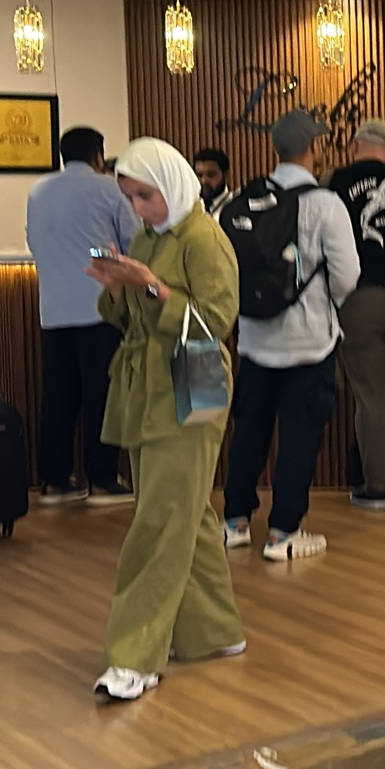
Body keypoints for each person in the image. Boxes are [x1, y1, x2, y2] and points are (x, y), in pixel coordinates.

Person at [83, 137, 246, 702]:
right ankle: (213, 631)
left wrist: (151, 286)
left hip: (193, 378)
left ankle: (135, 655)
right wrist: (117, 288)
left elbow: (215, 322)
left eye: (145, 196)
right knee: (185, 511)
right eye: (130, 198)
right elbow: (130, 318)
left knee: (159, 520)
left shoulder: (205, 239)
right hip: (150, 383)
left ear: (171, 185)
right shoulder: (146, 238)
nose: (139, 208)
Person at [221, 110, 359, 562]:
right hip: (309, 341)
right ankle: (283, 533)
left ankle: (235, 522)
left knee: (249, 432)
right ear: (314, 148)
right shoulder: (325, 203)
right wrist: (323, 303)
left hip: (255, 340)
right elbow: (348, 275)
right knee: (300, 435)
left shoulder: (245, 198)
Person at [26, 127, 141, 507]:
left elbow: (34, 240)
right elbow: (133, 243)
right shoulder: (109, 189)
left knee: (58, 398)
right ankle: (103, 480)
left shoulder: (38, 191)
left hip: (53, 310)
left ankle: (55, 482)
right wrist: (96, 252)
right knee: (100, 396)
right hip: (98, 308)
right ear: (98, 155)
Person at [326, 118, 385, 511]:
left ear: (354, 146)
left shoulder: (333, 181)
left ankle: (375, 489)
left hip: (356, 300)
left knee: (370, 400)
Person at [194, 148, 232, 219]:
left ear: (226, 175)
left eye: (211, 175)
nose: (204, 181)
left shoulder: (237, 207)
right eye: (199, 175)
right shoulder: (190, 208)